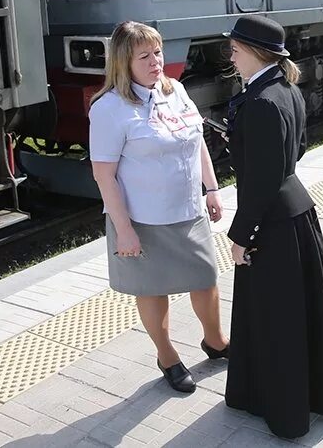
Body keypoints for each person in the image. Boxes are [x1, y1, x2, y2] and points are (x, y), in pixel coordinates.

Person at [222, 15, 323, 439]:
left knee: (276, 318)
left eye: (235, 50)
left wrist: (241, 235)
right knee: (296, 314)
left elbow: (262, 181)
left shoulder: (261, 101)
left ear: (253, 53)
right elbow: (295, 150)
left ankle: (282, 408)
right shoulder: (285, 90)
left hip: (274, 224)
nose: (231, 56)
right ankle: (302, 393)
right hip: (295, 216)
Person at [88, 21, 228, 395]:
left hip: (188, 210)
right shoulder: (109, 109)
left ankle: (215, 341)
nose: (156, 62)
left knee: (205, 278)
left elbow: (197, 140)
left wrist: (211, 188)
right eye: (145, 56)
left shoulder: (175, 90)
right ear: (123, 62)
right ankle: (166, 356)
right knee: (152, 289)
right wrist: (124, 229)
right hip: (142, 218)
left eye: (158, 52)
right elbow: (105, 176)